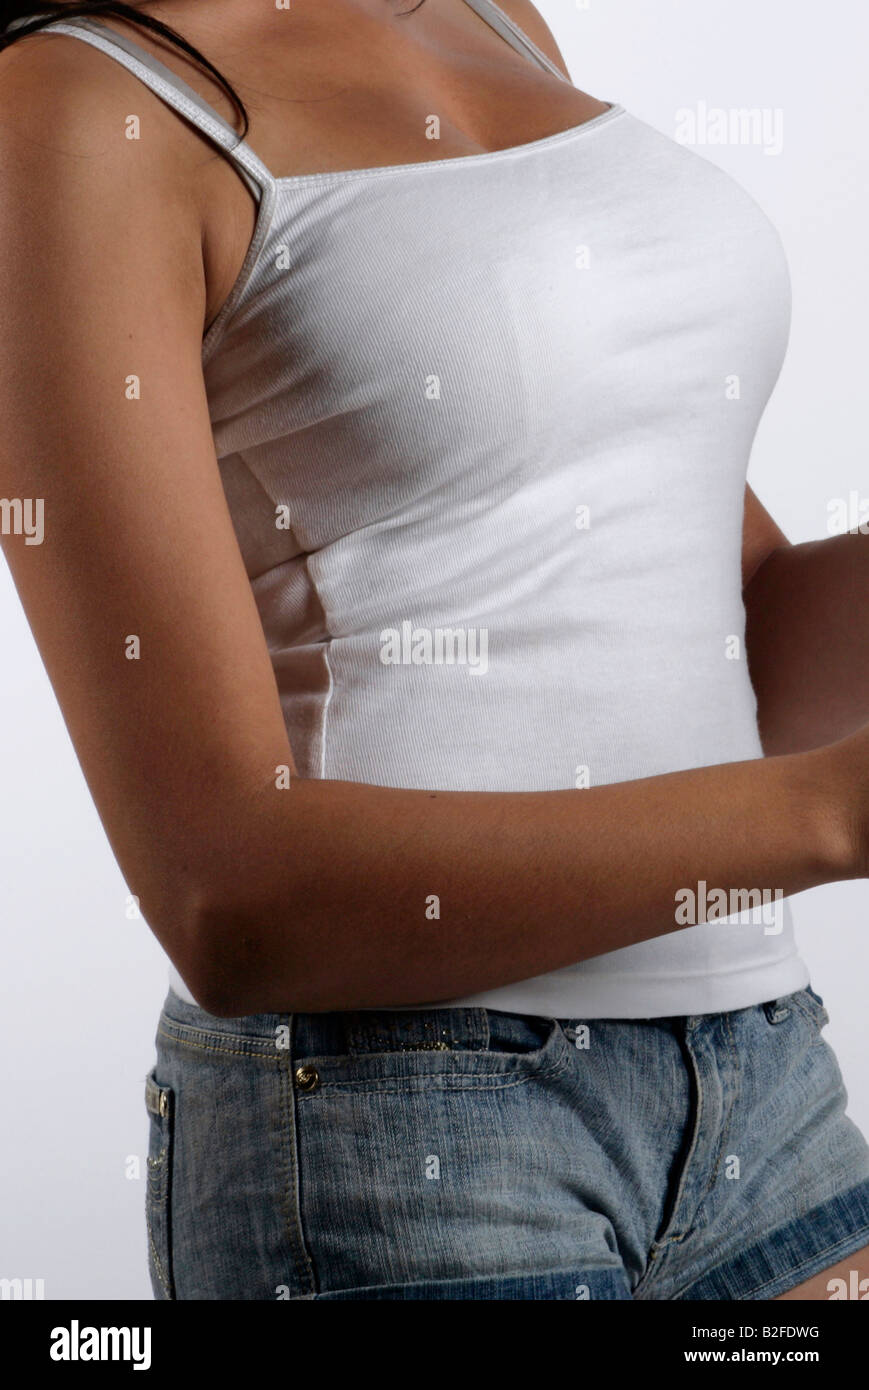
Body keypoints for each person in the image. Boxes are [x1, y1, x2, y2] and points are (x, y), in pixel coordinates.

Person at [1, 0, 868, 1301]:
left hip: (759, 1085)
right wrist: (828, 816)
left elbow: (737, 628)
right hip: (396, 1125)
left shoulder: (494, 21)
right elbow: (221, 894)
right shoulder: (77, 106)